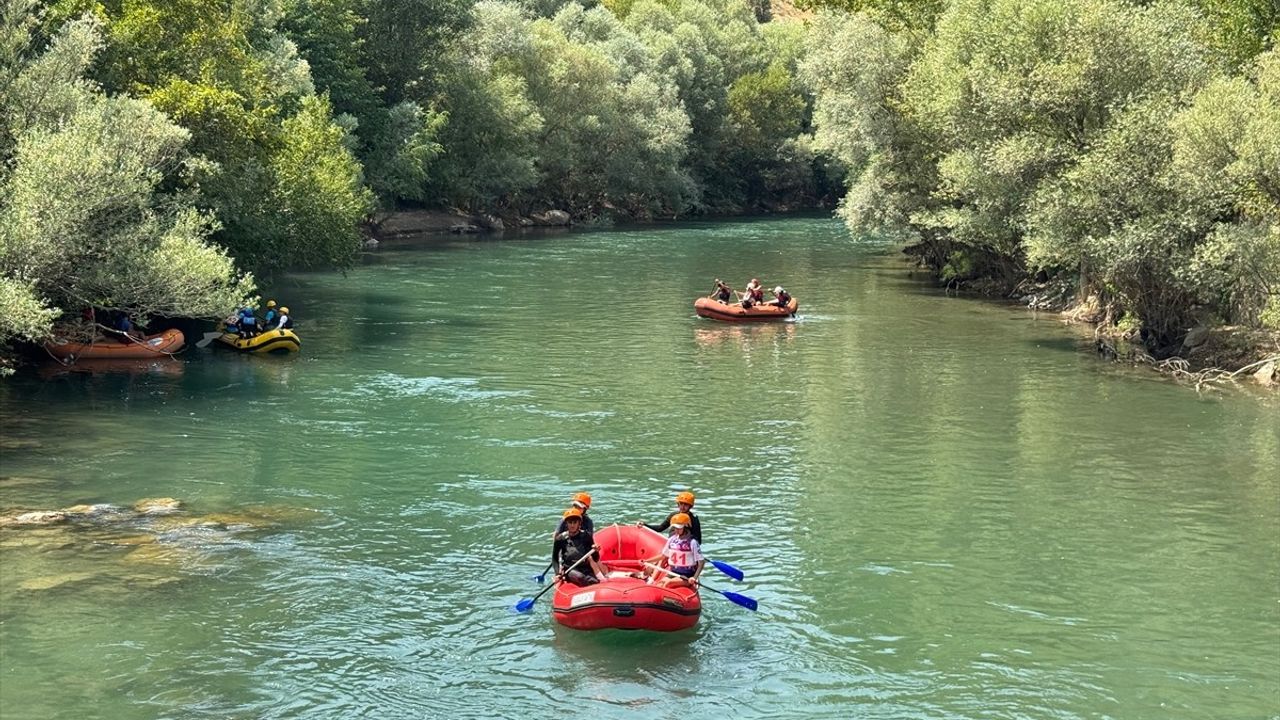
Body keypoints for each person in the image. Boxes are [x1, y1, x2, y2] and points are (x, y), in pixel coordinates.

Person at [640, 513, 704, 589]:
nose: (676, 530)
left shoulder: (692, 542)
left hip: (687, 576)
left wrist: (694, 577)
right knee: (659, 585)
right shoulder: (672, 539)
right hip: (673, 573)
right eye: (675, 528)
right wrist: (647, 561)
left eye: (679, 528)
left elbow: (701, 563)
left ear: (686, 527)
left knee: (668, 584)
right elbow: (663, 556)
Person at [552, 508, 606, 586]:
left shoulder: (586, 536)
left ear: (579, 523)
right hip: (570, 569)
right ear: (566, 524)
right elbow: (554, 558)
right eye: (570, 522)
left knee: (594, 582)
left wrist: (595, 550)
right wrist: (557, 573)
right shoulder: (560, 538)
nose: (572, 525)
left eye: (575, 522)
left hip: (585, 568)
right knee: (580, 577)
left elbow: (595, 558)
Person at [638, 491, 702, 545]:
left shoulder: (694, 519)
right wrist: (645, 525)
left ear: (690, 506)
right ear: (678, 504)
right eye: (681, 504)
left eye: (685, 505)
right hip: (672, 544)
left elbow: (698, 540)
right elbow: (660, 528)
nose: (682, 507)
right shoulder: (673, 515)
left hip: (686, 547)